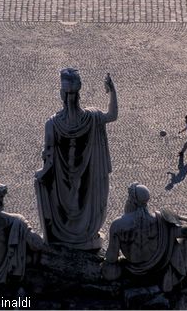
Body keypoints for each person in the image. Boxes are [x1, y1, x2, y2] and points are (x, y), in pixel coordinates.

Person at [35, 68, 118, 250]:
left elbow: (48, 162)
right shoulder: (92, 117)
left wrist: (39, 176)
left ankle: (64, 234)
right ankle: (84, 233)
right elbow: (112, 115)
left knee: (68, 205)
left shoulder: (52, 124)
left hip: (61, 182)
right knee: (82, 198)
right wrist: (112, 90)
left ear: (61, 94)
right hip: (86, 178)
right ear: (79, 92)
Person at [102, 183, 187, 292]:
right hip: (156, 268)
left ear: (131, 199)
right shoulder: (160, 220)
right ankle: (173, 276)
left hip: (133, 269)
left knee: (109, 271)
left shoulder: (118, 224)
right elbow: (182, 232)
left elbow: (111, 258)